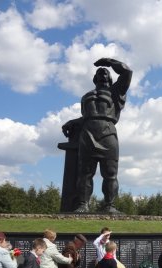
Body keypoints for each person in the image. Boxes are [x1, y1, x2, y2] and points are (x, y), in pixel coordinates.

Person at [62, 58, 133, 213]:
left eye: (106, 72)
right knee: (85, 173)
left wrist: (109, 62)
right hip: (88, 133)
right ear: (94, 78)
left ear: (111, 78)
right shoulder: (86, 96)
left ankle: (109, 205)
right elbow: (88, 116)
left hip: (108, 133)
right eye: (100, 72)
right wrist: (73, 122)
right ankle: (83, 204)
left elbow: (127, 72)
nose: (102, 73)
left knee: (110, 173)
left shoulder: (116, 92)